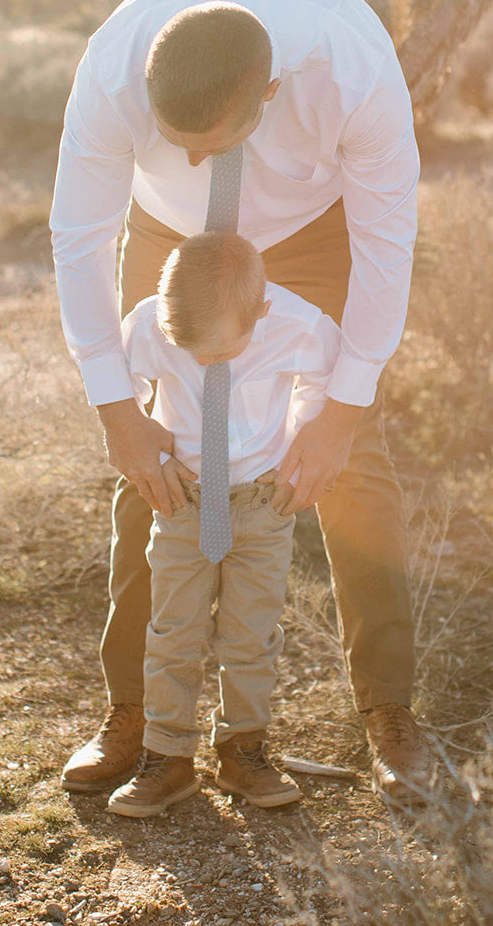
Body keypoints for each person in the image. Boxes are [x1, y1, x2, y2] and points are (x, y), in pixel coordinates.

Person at [51, 0, 432, 802]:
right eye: (174, 136)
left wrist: (338, 413)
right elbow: (77, 238)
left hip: (310, 232)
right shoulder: (115, 68)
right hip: (172, 236)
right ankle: (137, 714)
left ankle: (389, 712)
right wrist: (115, 408)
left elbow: (384, 250)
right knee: (155, 454)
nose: (190, 157)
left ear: (268, 91)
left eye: (209, 141)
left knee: (351, 462)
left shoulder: (352, 75)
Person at [108, 231, 339, 818]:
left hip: (262, 504)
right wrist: (151, 450)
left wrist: (303, 442)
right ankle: (168, 758)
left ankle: (243, 749)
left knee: (251, 633)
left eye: (219, 353)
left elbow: (328, 379)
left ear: (259, 313)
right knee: (173, 630)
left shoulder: (296, 322)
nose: (203, 362)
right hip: (182, 502)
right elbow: (118, 384)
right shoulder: (148, 323)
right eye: (190, 352)